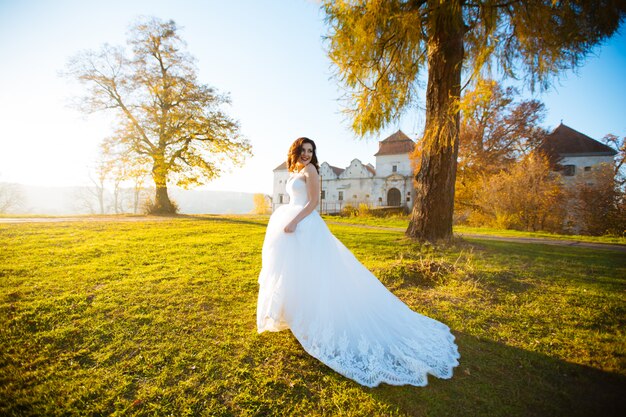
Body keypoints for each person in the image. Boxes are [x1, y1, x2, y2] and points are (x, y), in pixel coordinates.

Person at [257, 137, 460, 387]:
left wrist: (294, 221)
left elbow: (313, 203)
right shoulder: (295, 169)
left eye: (311, 150)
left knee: (316, 272)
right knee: (295, 272)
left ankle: (314, 317)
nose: (308, 154)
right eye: (304, 150)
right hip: (291, 223)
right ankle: (295, 313)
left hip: (304, 225)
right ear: (296, 150)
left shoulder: (310, 170)